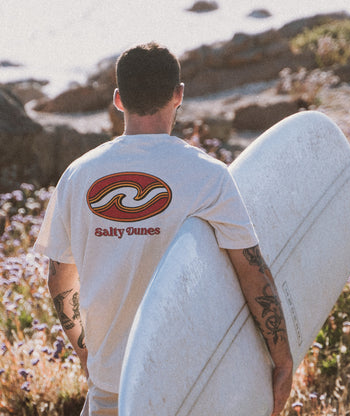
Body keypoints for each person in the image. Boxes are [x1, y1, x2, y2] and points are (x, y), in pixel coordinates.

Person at [34, 42, 293, 415]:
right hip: (189, 385)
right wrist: (282, 361)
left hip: (112, 383)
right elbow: (253, 273)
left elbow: (59, 280)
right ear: (179, 95)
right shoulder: (209, 176)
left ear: (118, 100)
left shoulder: (77, 176)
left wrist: (85, 351)